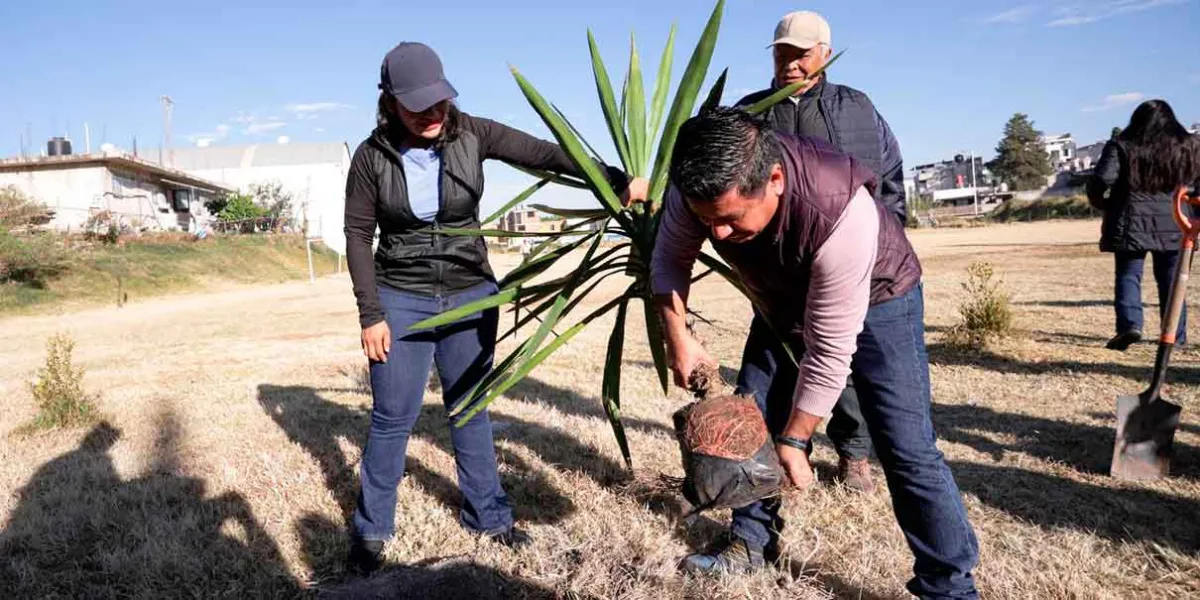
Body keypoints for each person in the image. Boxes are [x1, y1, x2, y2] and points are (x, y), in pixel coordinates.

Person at [343, 41, 647, 575]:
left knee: (469, 409)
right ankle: (371, 533)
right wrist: (371, 313)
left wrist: (615, 179)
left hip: (470, 293)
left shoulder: (473, 133)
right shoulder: (371, 158)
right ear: (389, 103)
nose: (433, 115)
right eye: (417, 106)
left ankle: (490, 518)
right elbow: (357, 235)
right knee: (393, 418)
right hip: (401, 298)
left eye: (439, 101)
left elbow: (548, 154)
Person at [651, 107, 979, 599]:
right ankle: (751, 543)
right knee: (751, 420)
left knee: (906, 445)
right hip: (779, 299)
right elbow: (669, 258)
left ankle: (948, 587)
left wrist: (798, 439)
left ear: (776, 179)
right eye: (706, 220)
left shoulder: (840, 212)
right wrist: (678, 335)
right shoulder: (697, 182)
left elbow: (828, 351)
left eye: (730, 219)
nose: (716, 236)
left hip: (879, 296)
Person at [731, 10, 907, 494]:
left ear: (824, 54)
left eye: (801, 53)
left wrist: (885, 233)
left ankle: (854, 453)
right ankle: (787, 452)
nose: (790, 64)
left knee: (841, 358)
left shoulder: (857, 107)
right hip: (781, 270)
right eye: (782, 53)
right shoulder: (752, 113)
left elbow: (890, 175)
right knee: (779, 361)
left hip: (849, 259)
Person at [1087, 99, 1200, 351]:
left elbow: (1101, 181)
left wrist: (1105, 205)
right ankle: (1175, 336)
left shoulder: (1121, 145)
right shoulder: (1190, 146)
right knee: (1173, 281)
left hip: (1129, 221)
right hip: (1176, 221)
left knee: (1128, 275)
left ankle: (1130, 326)